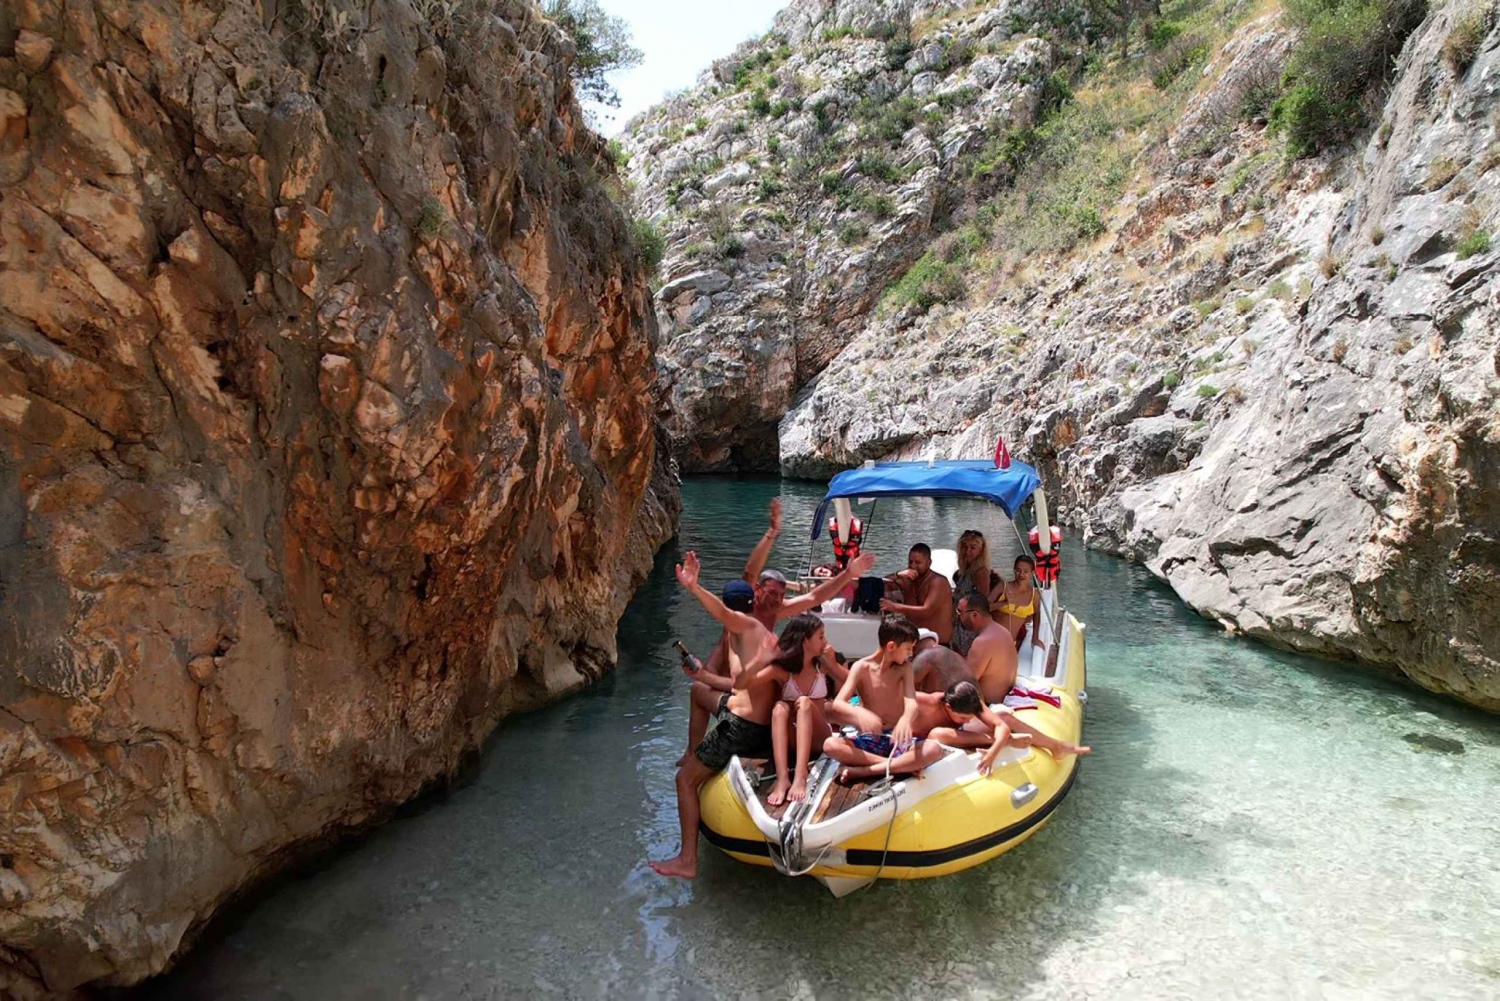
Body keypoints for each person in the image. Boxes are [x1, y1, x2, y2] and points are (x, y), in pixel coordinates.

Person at [652, 556, 780, 880]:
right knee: (698, 690)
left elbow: (723, 612)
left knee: (684, 782)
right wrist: (703, 675)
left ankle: (687, 861)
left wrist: (695, 588)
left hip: (742, 729)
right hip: (747, 718)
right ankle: (691, 753)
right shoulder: (748, 632)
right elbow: (738, 686)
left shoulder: (746, 627)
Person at [823, 615, 946, 782]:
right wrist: (859, 713)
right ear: (891, 646)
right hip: (870, 739)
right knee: (830, 745)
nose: (910, 654)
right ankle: (897, 766)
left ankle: (865, 771)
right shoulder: (861, 667)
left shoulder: (904, 668)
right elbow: (839, 703)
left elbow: (911, 702)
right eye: (908, 649)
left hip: (897, 738)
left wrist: (906, 719)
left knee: (933, 749)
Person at [743, 498, 877, 627]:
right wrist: (771, 532)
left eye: (781, 595)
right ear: (757, 590)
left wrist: (849, 573)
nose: (777, 600)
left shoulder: (777, 611)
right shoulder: (743, 614)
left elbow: (815, 597)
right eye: (772, 594)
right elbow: (750, 573)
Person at [674, 580, 753, 767]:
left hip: (747, 711)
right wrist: (701, 670)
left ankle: (691, 753)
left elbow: (740, 685)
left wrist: (702, 677)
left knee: (697, 690)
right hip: (739, 698)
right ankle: (693, 750)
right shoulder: (733, 628)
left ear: (724, 607)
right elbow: (714, 663)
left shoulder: (742, 634)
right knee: (701, 685)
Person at [923, 681, 1091, 768]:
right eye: (962, 717)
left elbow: (1001, 725)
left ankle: (1056, 746)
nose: (968, 720)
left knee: (1004, 717)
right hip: (941, 738)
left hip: (961, 734)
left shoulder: (970, 700)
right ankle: (1009, 740)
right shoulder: (930, 703)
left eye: (970, 717)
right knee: (938, 734)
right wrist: (1005, 740)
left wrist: (992, 753)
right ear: (948, 707)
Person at [765, 614, 834, 807]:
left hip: (820, 737)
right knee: (779, 707)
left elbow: (851, 680)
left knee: (804, 703)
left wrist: (833, 664)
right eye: (820, 636)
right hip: (795, 740)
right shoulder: (782, 669)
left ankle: (801, 776)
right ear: (805, 640)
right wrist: (766, 657)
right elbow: (743, 684)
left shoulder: (822, 664)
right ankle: (782, 778)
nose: (825, 641)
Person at [879, 544, 954, 644]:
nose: (913, 566)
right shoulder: (907, 580)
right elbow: (882, 584)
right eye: (910, 562)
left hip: (937, 644)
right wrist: (897, 574)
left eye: (918, 562)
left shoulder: (938, 582)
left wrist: (895, 607)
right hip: (913, 643)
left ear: (929, 563)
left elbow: (927, 611)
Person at [957, 594, 1019, 704]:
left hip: (988, 706)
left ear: (974, 615)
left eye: (960, 612)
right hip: (1004, 698)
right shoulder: (1004, 632)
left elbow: (966, 683)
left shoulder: (982, 642)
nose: (958, 617)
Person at [992, 554, 1044, 652]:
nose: (1021, 574)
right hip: (991, 639)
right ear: (1014, 570)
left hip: (1011, 643)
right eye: (1018, 570)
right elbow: (983, 608)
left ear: (1032, 573)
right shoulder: (1003, 587)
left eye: (1025, 572)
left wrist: (1035, 638)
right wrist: (1003, 603)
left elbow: (1036, 615)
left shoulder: (1034, 594)